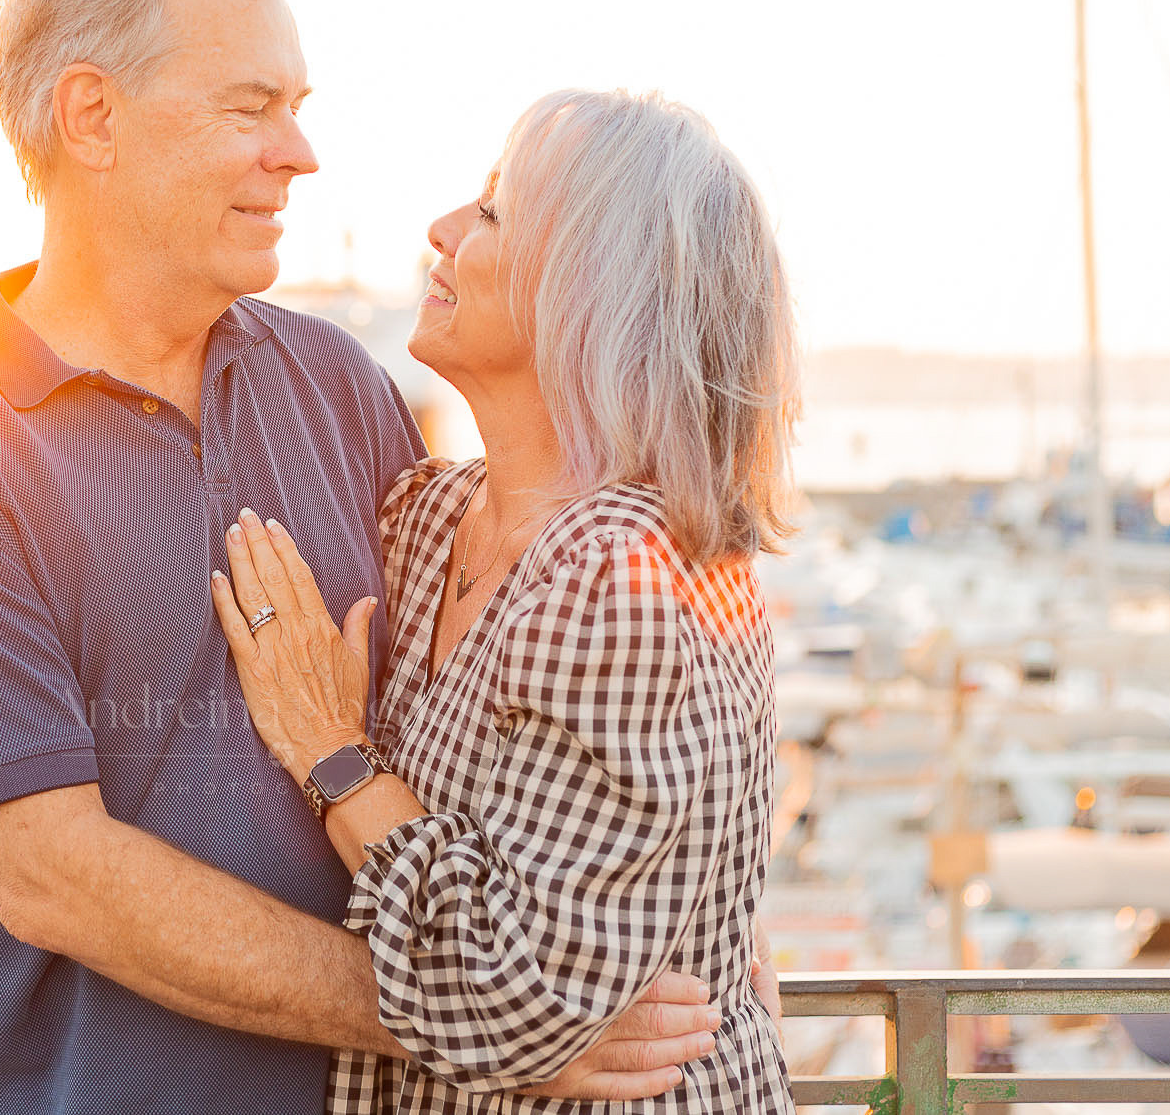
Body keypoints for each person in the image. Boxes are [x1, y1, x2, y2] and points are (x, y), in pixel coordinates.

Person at [0, 0, 729, 1115]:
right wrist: (491, 1021)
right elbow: (55, 877)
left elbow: (483, 736)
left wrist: (689, 924)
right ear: (90, 116)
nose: (297, 152)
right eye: (250, 107)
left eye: (296, 106)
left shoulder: (340, 385)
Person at [211, 88, 798, 1111]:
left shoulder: (623, 570)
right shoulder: (427, 517)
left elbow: (508, 990)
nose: (440, 231)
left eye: (490, 213)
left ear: (588, 291)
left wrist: (327, 751)